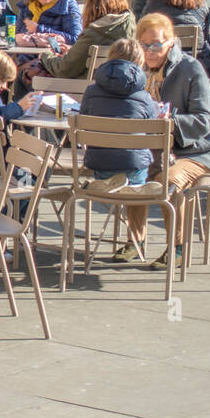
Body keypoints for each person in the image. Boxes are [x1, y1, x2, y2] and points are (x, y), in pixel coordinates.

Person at [125, 13, 210, 269]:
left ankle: (177, 247)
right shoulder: (138, 69)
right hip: (156, 146)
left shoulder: (190, 68)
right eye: (144, 45)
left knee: (168, 181)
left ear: (171, 42)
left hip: (198, 149)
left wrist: (170, 121)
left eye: (156, 45)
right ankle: (135, 241)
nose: (150, 51)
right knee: (134, 171)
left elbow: (205, 120)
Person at [77, 38, 161, 262]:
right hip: (132, 166)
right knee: (141, 168)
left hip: (99, 164)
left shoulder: (92, 91)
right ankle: (136, 240)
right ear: (139, 61)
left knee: (120, 161)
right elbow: (153, 133)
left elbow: (83, 119)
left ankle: (110, 182)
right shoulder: (144, 97)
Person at [37, 0, 135, 80]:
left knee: (33, 76)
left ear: (91, 6)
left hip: (88, 88)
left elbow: (63, 69)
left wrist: (45, 56)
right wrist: (72, 51)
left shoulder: (94, 33)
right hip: (122, 83)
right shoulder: (130, 26)